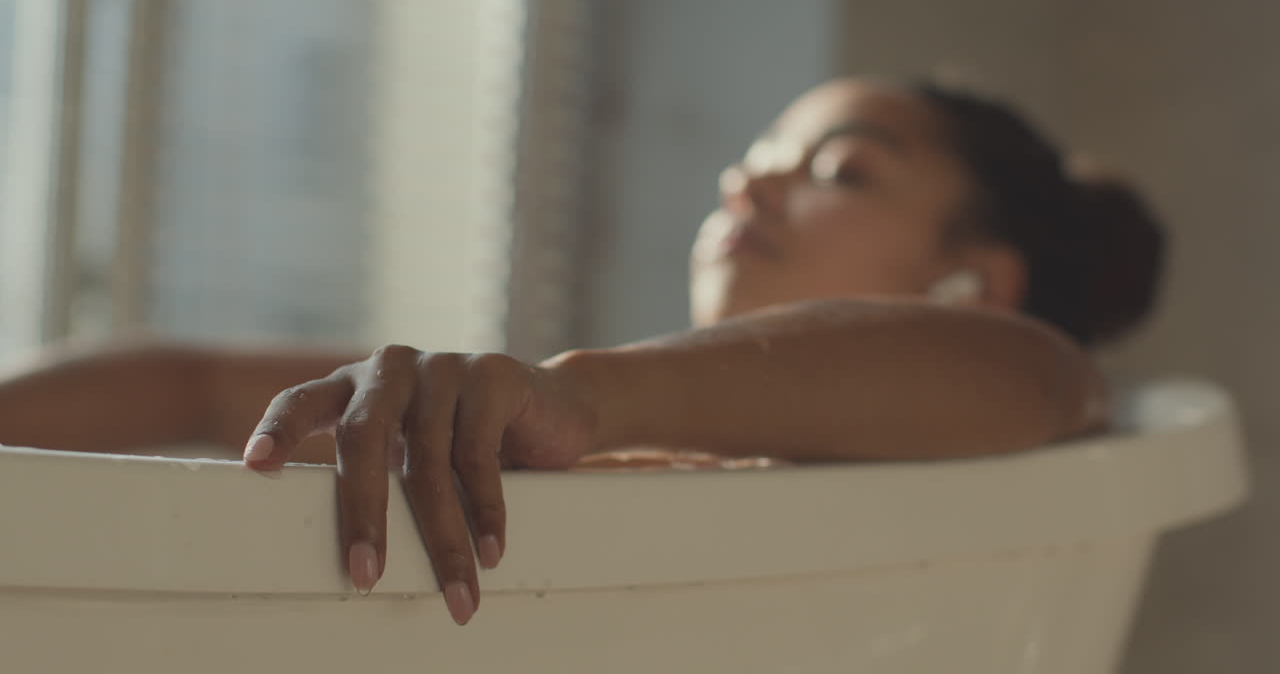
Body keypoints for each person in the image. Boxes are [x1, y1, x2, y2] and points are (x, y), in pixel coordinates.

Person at [0, 78, 1163, 626]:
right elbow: (195, 385)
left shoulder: (1012, 422)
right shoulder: (618, 427)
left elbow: (1029, 373)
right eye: (758, 149)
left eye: (837, 170)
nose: (745, 177)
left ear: (974, 282)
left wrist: (583, 397)